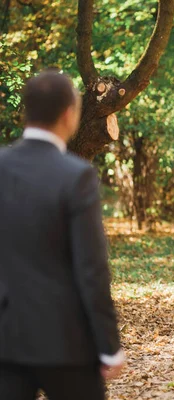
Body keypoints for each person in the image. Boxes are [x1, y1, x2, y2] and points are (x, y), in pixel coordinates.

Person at [0, 70, 125, 399]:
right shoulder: (77, 175)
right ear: (70, 114)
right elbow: (91, 269)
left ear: (25, 111)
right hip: (66, 342)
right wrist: (109, 345)